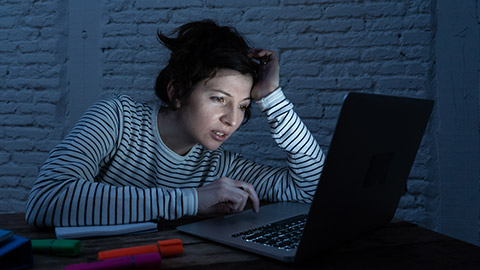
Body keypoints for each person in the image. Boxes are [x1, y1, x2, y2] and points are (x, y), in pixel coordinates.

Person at [25, 20, 325, 227]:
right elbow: (46, 199)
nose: (232, 120)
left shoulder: (221, 167)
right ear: (177, 92)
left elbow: (311, 191)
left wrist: (273, 98)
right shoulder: (116, 119)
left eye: (244, 106)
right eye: (219, 99)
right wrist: (193, 199)